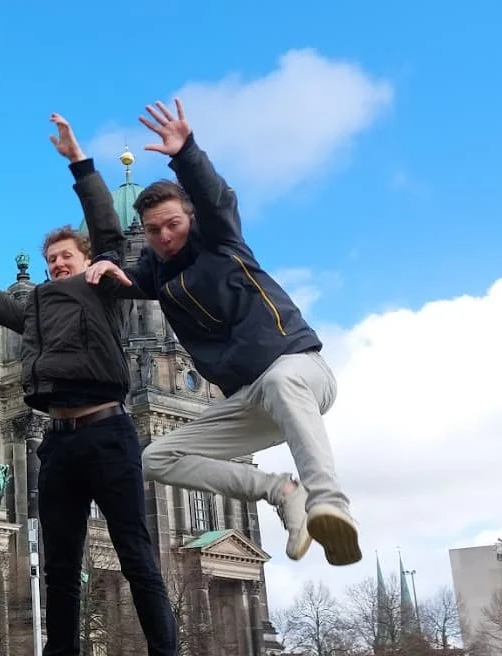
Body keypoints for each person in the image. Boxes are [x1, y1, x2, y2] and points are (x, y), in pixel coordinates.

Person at [0, 113, 197, 656]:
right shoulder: (31, 309)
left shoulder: (102, 287)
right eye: (53, 258)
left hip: (109, 433)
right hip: (54, 441)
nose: (61, 263)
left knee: (140, 564)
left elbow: (110, 231)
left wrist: (79, 161)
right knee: (57, 569)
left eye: (69, 256)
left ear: (87, 261)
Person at [97, 98, 358, 566]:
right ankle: (281, 491)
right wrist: (100, 267)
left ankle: (329, 505)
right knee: (156, 458)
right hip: (247, 399)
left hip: (299, 370)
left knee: (281, 381)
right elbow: (123, 276)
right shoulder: (156, 276)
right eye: (154, 231)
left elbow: (217, 198)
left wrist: (186, 152)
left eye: (173, 224)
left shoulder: (220, 239)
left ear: (190, 219)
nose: (165, 236)